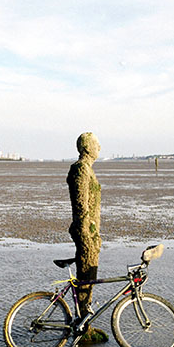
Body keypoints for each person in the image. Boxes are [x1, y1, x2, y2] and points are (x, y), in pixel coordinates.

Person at [66, 132, 101, 313]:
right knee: (85, 278)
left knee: (89, 278)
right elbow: (81, 203)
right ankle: (81, 324)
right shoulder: (81, 169)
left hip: (91, 231)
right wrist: (87, 232)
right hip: (86, 231)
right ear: (87, 147)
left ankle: (84, 319)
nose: (99, 148)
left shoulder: (87, 169)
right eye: (96, 144)